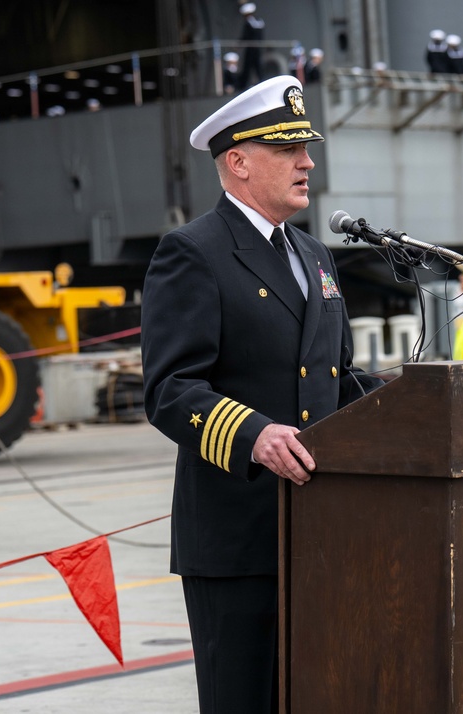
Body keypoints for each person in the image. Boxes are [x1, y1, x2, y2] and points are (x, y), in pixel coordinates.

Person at [141, 75, 385, 713]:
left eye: (305, 147)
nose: (307, 161)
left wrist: (425, 402)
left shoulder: (316, 256)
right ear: (239, 162)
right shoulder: (192, 253)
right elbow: (170, 389)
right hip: (237, 538)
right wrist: (256, 435)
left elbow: (338, 377)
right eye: (288, 150)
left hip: (319, 532)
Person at [237, 3, 266, 89]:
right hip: (258, 48)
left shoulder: (248, 23)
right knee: (258, 67)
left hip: (250, 49)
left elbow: (245, 36)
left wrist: (238, 45)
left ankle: (242, 86)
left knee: (247, 67)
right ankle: (262, 82)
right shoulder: (259, 21)